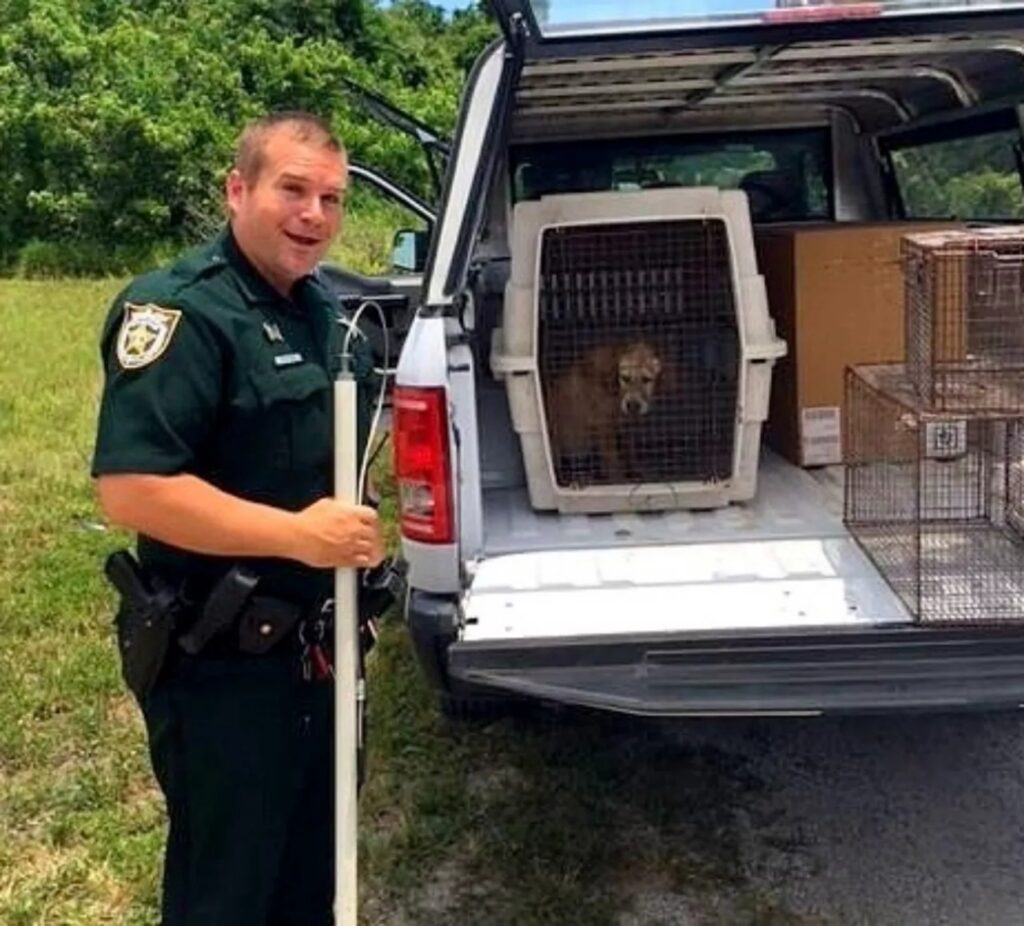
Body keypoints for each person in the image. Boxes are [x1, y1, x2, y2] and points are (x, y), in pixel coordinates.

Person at [91, 111, 384, 926]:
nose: (315, 215)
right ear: (236, 189)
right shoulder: (181, 314)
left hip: (319, 655)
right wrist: (301, 537)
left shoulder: (329, 315)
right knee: (227, 890)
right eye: (293, 189)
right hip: (223, 665)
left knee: (312, 878)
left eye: (333, 197)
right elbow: (133, 488)